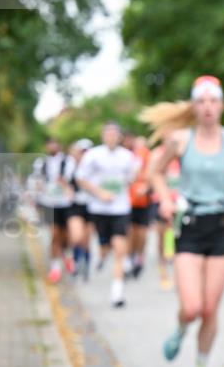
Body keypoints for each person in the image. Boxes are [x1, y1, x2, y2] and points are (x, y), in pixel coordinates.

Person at [146, 75, 224, 367]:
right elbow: (154, 171)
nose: (208, 107)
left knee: (210, 309)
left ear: (222, 105)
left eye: (213, 101)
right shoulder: (180, 140)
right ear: (194, 107)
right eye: (202, 101)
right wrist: (166, 199)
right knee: (192, 307)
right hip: (190, 226)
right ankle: (181, 328)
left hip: (222, 227)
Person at [75, 122, 140, 307]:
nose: (111, 137)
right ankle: (102, 255)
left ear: (119, 137)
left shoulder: (127, 157)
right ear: (103, 136)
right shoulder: (93, 155)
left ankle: (117, 293)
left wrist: (133, 177)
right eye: (108, 134)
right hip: (99, 209)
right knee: (105, 247)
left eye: (114, 134)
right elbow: (81, 178)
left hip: (120, 209)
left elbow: (131, 178)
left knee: (120, 248)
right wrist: (99, 193)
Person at [33, 138, 76, 283]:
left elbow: (68, 179)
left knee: (67, 234)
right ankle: (55, 266)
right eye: (49, 144)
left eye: (54, 143)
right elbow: (37, 182)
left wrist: (62, 184)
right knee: (54, 234)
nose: (52, 146)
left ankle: (67, 255)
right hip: (48, 203)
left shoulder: (67, 161)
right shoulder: (40, 163)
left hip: (65, 203)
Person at [150, 143, 182, 291]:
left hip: (181, 202)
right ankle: (163, 273)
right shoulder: (158, 153)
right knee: (162, 238)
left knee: (178, 239)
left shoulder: (185, 149)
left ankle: (178, 275)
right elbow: (151, 174)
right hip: (161, 202)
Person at [124, 132, 153, 279]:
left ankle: (139, 257)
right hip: (127, 202)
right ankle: (129, 258)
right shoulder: (124, 156)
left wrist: (146, 187)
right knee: (129, 232)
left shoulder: (145, 155)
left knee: (141, 233)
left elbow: (152, 174)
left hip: (143, 202)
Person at [66, 138, 95, 281]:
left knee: (86, 240)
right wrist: (68, 191)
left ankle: (86, 265)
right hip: (75, 205)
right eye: (81, 151)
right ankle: (75, 261)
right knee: (76, 236)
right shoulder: (70, 166)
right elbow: (63, 182)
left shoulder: (95, 167)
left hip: (91, 205)